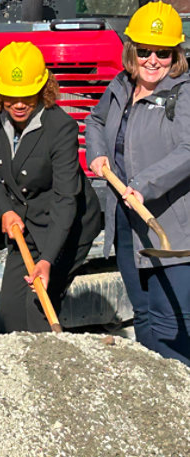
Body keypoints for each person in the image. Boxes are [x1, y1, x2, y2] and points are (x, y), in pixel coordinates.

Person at [86, 1, 190, 365]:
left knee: (171, 324)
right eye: (144, 50)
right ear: (131, 50)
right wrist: (96, 154)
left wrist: (145, 183)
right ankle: (153, 401)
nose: (152, 60)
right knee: (143, 314)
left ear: (174, 53)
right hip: (130, 222)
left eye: (162, 52)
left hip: (170, 227)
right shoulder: (121, 85)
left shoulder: (184, 93)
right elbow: (96, 121)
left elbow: (188, 149)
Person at [0, 41, 100, 333]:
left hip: (67, 225)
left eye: (28, 95)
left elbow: (66, 199)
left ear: (43, 89)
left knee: (38, 308)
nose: (19, 104)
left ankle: (49, 373)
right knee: (10, 309)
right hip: (24, 222)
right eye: (11, 96)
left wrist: (47, 259)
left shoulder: (60, 127)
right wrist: (5, 211)